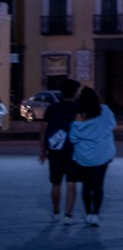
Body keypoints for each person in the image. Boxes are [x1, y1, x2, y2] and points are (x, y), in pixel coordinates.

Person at [69, 86, 117, 226]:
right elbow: (112, 125)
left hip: (84, 157)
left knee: (86, 186)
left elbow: (73, 138)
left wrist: (78, 124)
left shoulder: (79, 117)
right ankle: (95, 214)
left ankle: (88, 213)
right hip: (102, 155)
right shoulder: (106, 111)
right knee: (98, 185)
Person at [39, 77, 80, 223]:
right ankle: (68, 215)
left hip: (54, 150)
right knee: (71, 182)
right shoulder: (77, 109)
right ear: (74, 93)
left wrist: (43, 151)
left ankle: (56, 212)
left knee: (55, 182)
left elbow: (43, 130)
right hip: (72, 150)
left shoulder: (52, 108)